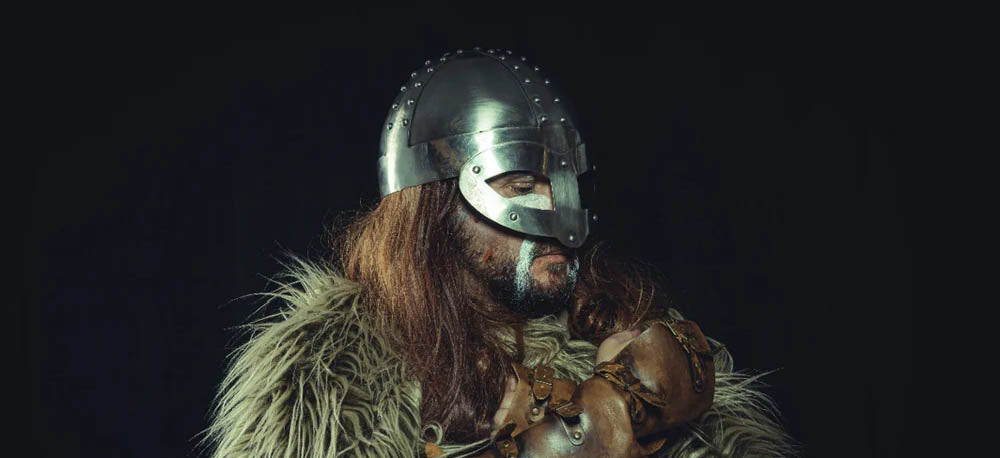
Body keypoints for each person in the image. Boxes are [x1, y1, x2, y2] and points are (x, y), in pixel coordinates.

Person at [204, 48, 797, 457]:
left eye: (563, 187)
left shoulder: (619, 341)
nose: (560, 220)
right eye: (520, 188)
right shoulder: (332, 375)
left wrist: (658, 420)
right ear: (436, 207)